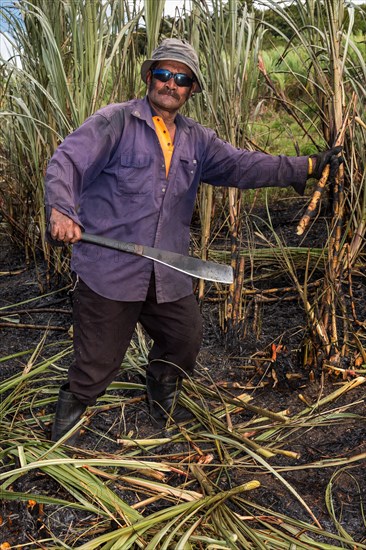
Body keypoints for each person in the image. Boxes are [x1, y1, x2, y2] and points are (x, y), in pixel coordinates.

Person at [45, 38, 342, 444]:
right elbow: (67, 160)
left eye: (182, 79)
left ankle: (160, 393)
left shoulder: (197, 140)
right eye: (164, 75)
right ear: (149, 78)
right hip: (109, 270)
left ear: (191, 89)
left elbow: (242, 165)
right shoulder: (114, 122)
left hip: (166, 269)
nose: (171, 84)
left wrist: (306, 166)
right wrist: (61, 208)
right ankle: (64, 428)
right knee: (97, 363)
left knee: (184, 339)